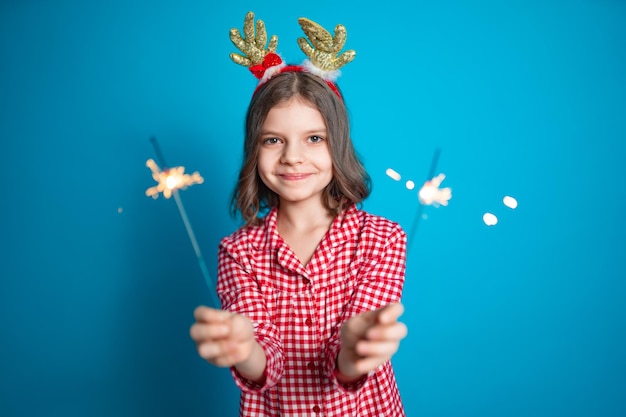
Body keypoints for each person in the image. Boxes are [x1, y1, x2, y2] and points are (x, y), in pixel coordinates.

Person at [189, 12, 408, 416]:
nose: (293, 157)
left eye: (313, 138)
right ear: (254, 149)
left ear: (337, 145)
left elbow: (342, 366)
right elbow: (265, 363)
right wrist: (243, 347)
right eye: (273, 140)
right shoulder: (238, 252)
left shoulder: (383, 239)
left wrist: (356, 348)